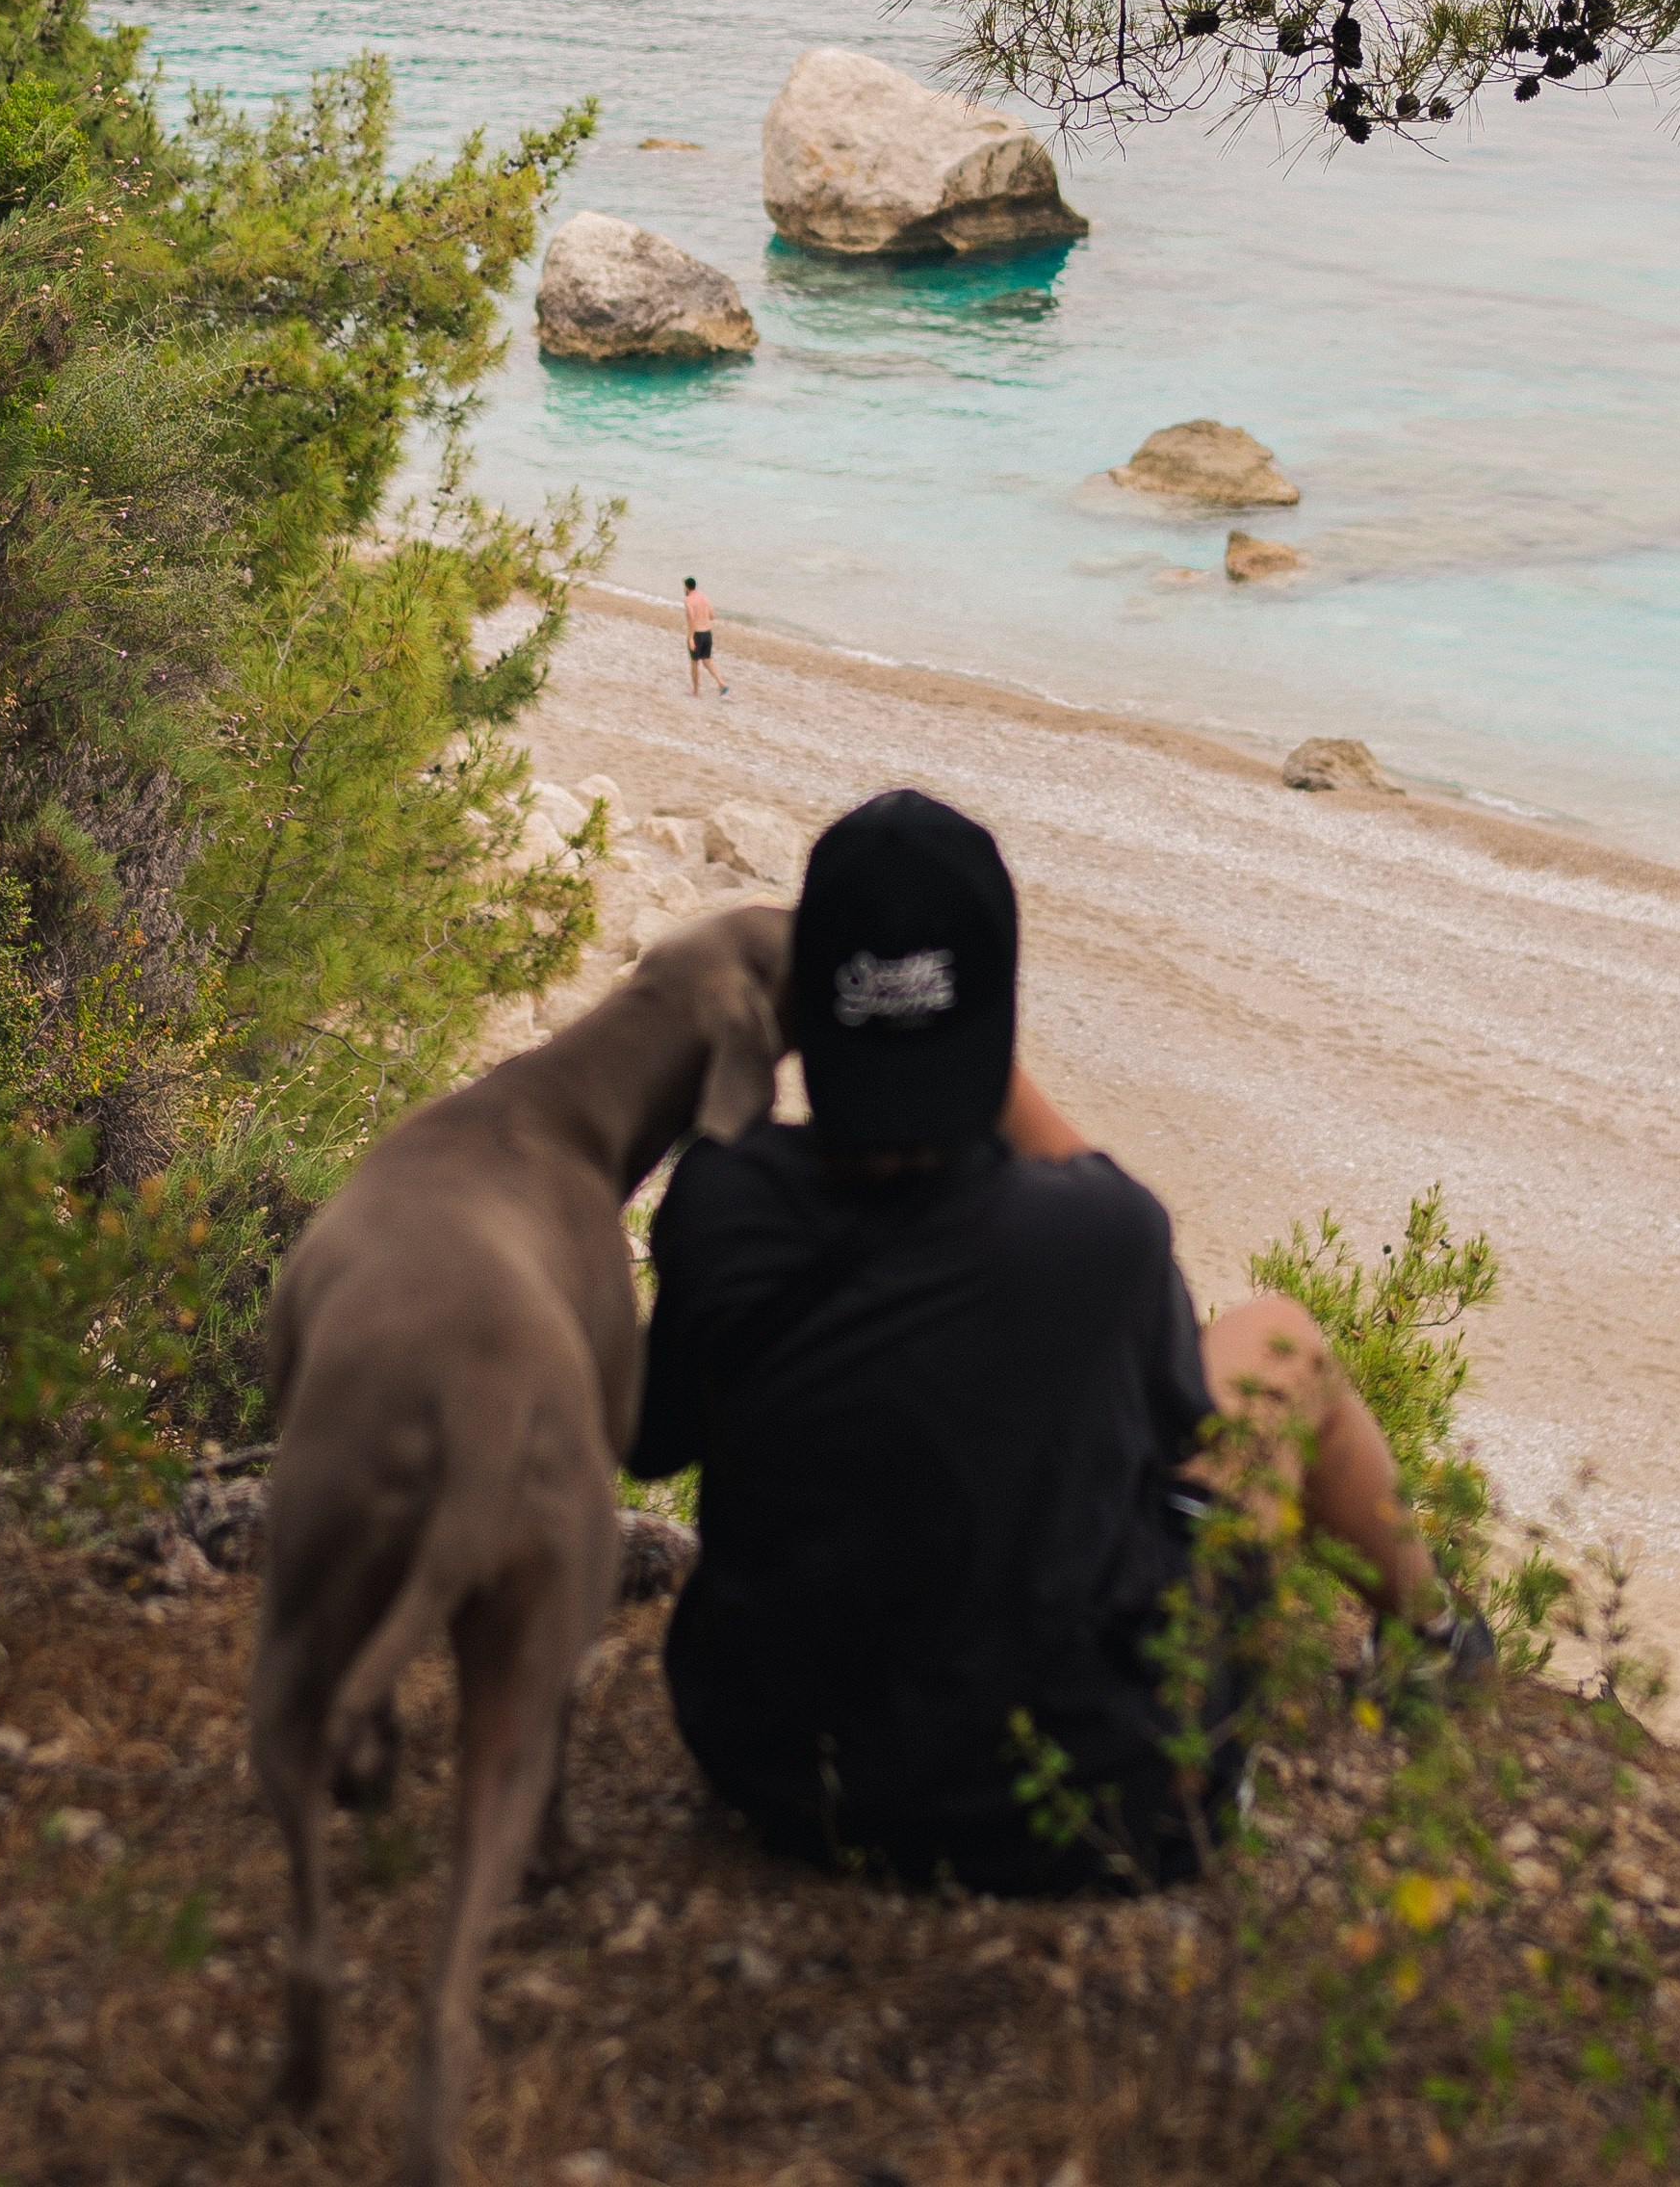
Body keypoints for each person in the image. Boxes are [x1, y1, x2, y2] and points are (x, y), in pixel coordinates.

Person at [629, 787, 1486, 1892]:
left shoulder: (719, 1204)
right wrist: (983, 1058)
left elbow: (654, 1444)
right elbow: (1176, 1421)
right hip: (1100, 1806)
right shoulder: (1095, 1234)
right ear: (995, 1019)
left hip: (777, 1774)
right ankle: (1432, 1637)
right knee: (1276, 1342)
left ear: (808, 1014)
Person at [682, 574, 726, 699]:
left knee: (694, 662)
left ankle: (696, 691)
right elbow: (712, 615)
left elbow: (691, 618)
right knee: (707, 660)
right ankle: (722, 683)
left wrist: (690, 637)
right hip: (707, 633)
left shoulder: (688, 600)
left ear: (687, 587)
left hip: (697, 634)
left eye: (684, 587)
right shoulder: (704, 597)